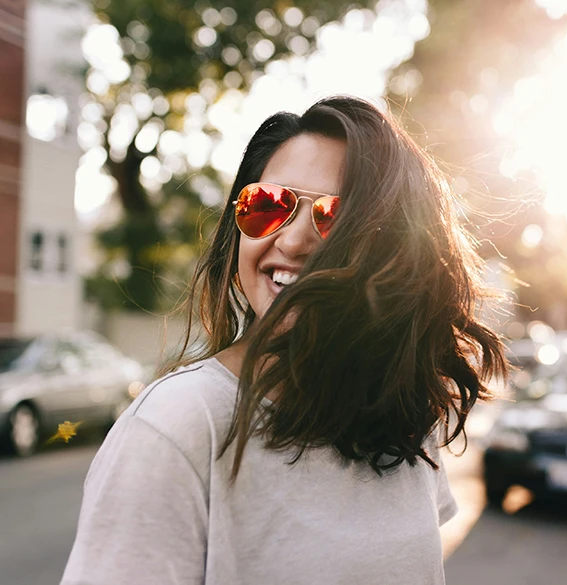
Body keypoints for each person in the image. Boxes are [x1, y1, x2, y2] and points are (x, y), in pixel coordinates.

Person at [61, 96, 507, 585]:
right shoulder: (178, 425)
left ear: (396, 252)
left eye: (335, 217)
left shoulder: (399, 416)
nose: (293, 242)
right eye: (267, 206)